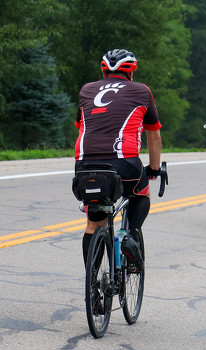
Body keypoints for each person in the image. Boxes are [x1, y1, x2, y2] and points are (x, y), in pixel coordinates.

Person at [74, 49, 162, 269]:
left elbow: (81, 126)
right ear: (131, 72)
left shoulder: (87, 89)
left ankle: (93, 282)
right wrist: (154, 168)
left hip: (85, 164)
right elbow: (154, 134)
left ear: (104, 71)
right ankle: (130, 237)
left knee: (94, 224)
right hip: (124, 161)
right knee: (141, 194)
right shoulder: (141, 90)